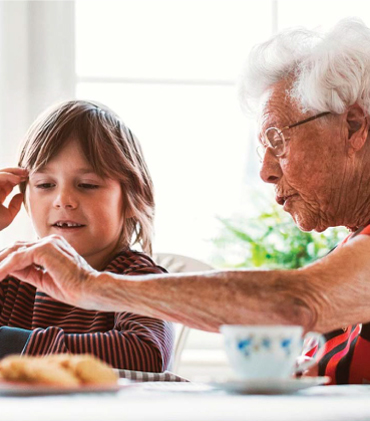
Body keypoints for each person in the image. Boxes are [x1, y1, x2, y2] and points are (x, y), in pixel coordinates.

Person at [1, 18, 370, 384]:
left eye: (277, 140)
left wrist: (90, 285)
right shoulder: (349, 248)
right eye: (263, 149)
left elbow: (298, 302)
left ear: (352, 126)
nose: (266, 172)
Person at [0, 100, 174, 372]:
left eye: (87, 185)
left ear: (131, 199)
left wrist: (11, 346)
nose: (63, 200)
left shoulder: (139, 279)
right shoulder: (13, 275)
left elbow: (146, 354)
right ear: (24, 197)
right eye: (45, 185)